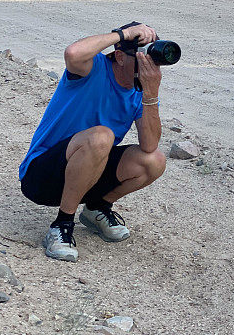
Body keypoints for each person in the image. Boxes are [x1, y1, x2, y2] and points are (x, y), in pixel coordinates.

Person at [18, 23, 166, 263]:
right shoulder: (94, 68)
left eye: (153, 61)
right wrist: (124, 35)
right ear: (119, 56)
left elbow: (149, 146)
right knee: (102, 136)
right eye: (141, 58)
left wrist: (151, 94)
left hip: (87, 172)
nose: (149, 65)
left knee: (154, 160)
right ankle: (62, 225)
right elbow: (72, 53)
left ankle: (96, 208)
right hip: (41, 175)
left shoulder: (141, 93)